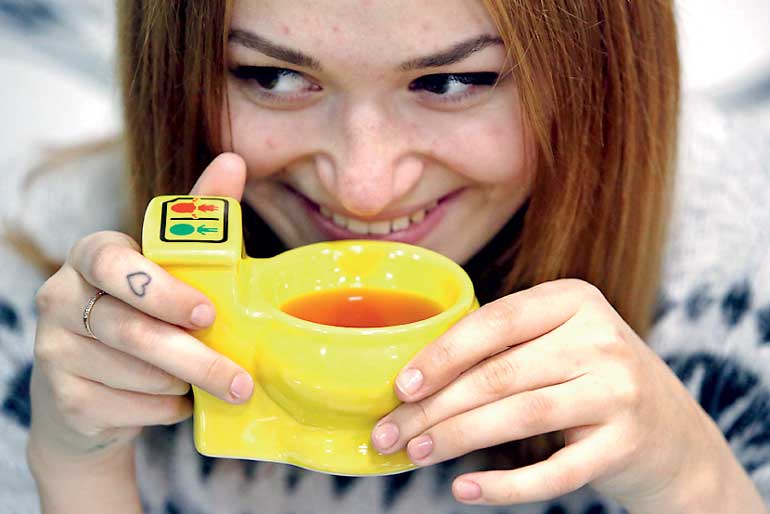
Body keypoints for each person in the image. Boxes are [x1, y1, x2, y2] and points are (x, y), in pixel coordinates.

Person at [1, 0, 769, 512]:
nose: (364, 191)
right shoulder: (63, 282)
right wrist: (79, 469)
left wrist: (692, 479)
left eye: (454, 80)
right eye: (272, 76)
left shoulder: (740, 271)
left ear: (601, 74)